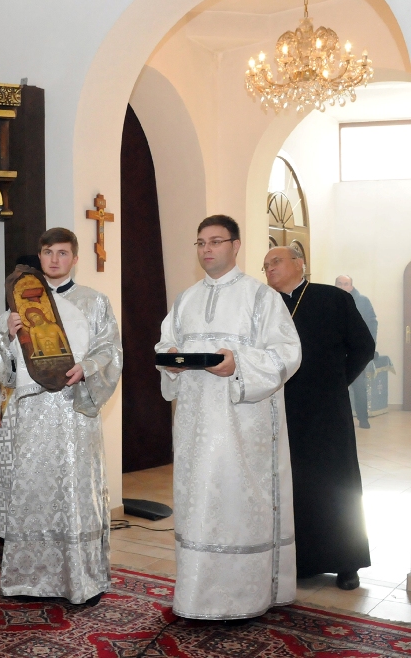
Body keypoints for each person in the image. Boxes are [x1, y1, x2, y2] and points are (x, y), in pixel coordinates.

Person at [156, 214, 301, 621]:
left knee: (237, 501)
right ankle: (195, 595)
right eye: (201, 242)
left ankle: (244, 596)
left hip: (243, 424)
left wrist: (238, 363)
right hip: (195, 424)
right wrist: (170, 360)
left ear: (236, 246)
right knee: (198, 500)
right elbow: (167, 344)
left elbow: (287, 354)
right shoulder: (185, 300)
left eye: (216, 241)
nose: (207, 249)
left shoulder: (262, 298)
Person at [0, 227, 123, 605]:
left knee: (75, 495)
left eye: (62, 253)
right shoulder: (16, 308)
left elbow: (111, 350)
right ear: (39, 256)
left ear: (75, 258)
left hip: (75, 411)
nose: (54, 259)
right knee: (32, 494)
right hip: (30, 414)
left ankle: (82, 580)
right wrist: (10, 341)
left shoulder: (94, 302)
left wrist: (87, 367)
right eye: (47, 252)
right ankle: (30, 579)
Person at [264, 248, 375, 591]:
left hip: (328, 409)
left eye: (276, 261)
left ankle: (347, 563)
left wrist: (338, 382)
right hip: (282, 407)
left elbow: (363, 346)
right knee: (294, 484)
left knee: (336, 482)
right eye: (265, 265)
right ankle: (303, 561)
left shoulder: (333, 298)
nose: (269, 269)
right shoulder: (264, 305)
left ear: (299, 264)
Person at [335, 275, 378, 429]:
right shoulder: (330, 300)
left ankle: (363, 418)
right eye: (339, 284)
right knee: (336, 388)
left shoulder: (363, 301)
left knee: (359, 387)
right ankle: (337, 420)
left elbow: (372, 324)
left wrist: (369, 346)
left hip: (355, 353)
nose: (342, 286)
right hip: (336, 353)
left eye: (346, 284)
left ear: (351, 286)